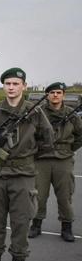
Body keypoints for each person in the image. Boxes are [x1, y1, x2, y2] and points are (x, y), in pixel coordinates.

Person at [0, 68, 53, 261]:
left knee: (21, 222)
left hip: (23, 176)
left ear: (24, 86)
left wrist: (27, 157)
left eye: (15, 83)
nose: (11, 87)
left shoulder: (35, 111)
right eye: (7, 84)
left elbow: (47, 140)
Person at [29, 82, 82, 242]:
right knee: (39, 195)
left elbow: (80, 136)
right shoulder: (38, 113)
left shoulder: (71, 114)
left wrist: (68, 149)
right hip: (42, 159)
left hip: (63, 160)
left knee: (65, 195)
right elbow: (30, 135)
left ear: (63, 95)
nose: (55, 95)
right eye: (52, 92)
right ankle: (36, 225)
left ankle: (66, 227)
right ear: (47, 95)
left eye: (59, 92)